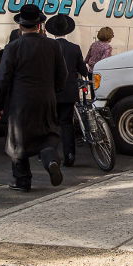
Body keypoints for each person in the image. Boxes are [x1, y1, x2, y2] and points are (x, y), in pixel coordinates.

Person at [0, 4, 68, 192]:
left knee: (18, 141)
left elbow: (3, 79)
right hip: (46, 98)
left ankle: (22, 181)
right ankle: (50, 159)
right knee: (48, 133)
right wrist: (55, 89)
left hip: (21, 101)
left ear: (20, 26)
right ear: (40, 24)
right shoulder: (53, 45)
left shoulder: (13, 47)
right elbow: (63, 74)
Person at [45, 13, 88, 167]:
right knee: (66, 124)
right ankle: (69, 155)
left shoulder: (48, 46)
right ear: (67, 30)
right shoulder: (74, 48)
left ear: (52, 31)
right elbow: (83, 70)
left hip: (50, 92)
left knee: (50, 124)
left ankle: (50, 157)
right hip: (69, 92)